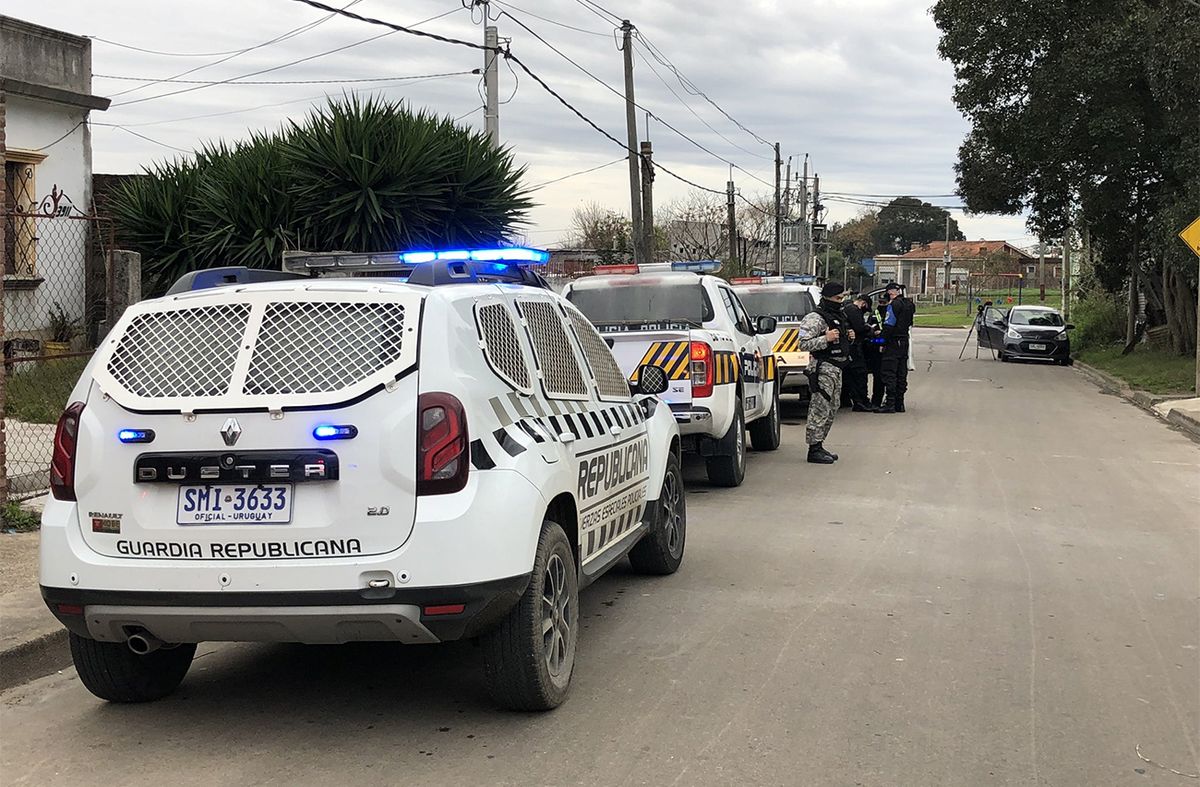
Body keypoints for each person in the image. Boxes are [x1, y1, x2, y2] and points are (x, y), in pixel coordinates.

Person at [797, 282, 852, 463]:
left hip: (837, 368)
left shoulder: (838, 316)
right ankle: (813, 449)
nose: (840, 301)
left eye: (842, 298)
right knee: (819, 408)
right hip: (823, 368)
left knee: (832, 408)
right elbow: (803, 343)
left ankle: (820, 444)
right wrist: (825, 339)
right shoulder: (815, 318)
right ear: (827, 298)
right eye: (837, 298)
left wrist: (848, 336)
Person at [878, 281, 915, 413]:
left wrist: (881, 341)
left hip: (893, 342)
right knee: (901, 372)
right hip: (904, 341)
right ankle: (900, 403)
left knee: (889, 372)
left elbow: (888, 326)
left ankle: (890, 403)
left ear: (890, 293)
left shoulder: (893, 305)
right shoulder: (909, 304)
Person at [840, 293, 875, 412]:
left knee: (848, 375)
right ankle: (861, 401)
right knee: (860, 374)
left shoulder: (846, 307)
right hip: (853, 347)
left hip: (847, 347)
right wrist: (870, 330)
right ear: (863, 303)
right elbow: (859, 328)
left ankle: (847, 399)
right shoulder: (854, 310)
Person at [859, 295, 885, 408]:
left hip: (881, 345)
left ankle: (877, 401)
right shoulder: (875, 313)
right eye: (880, 302)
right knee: (878, 375)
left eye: (884, 302)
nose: (882, 304)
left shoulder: (884, 312)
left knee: (880, 376)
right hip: (875, 346)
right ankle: (875, 402)